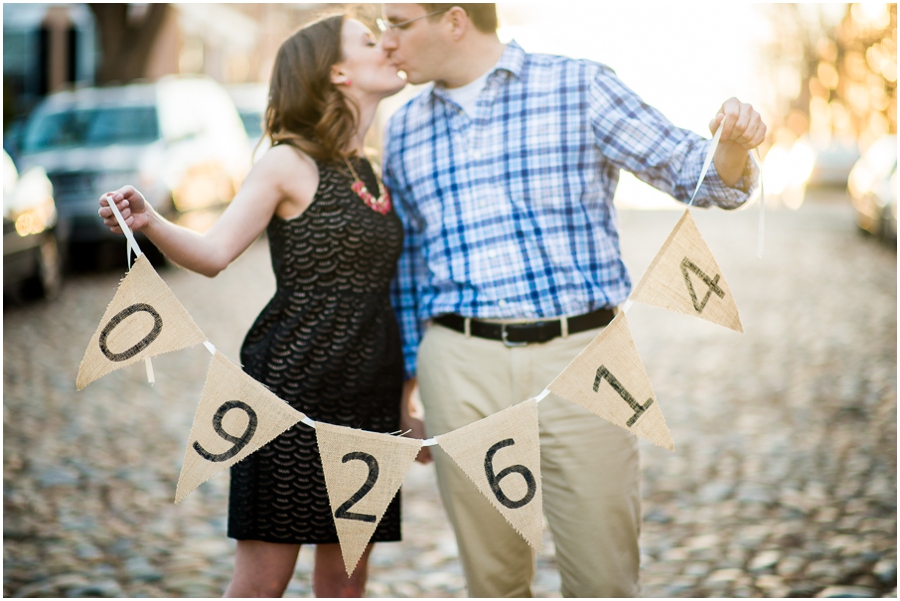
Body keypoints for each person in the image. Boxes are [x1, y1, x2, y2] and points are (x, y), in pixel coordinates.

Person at [379, 3, 766, 597]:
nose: (387, 41)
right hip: (457, 366)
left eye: (399, 23)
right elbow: (408, 268)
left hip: (586, 361)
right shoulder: (403, 128)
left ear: (453, 21)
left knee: (603, 573)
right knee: (494, 580)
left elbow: (702, 176)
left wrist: (732, 143)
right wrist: (406, 384)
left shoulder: (578, 85)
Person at [98, 14, 430, 598]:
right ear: (338, 72)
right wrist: (151, 222)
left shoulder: (374, 170)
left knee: (346, 586)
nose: (388, 47)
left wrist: (404, 403)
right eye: (370, 41)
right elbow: (214, 252)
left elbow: (392, 298)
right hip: (289, 398)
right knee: (261, 584)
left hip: (368, 401)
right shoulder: (288, 163)